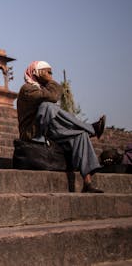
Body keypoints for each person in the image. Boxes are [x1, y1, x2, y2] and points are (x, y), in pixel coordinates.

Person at [16, 61, 106, 193]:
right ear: (36, 72)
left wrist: (48, 80)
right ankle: (91, 128)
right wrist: (50, 81)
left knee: (80, 135)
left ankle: (87, 183)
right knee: (47, 106)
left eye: (51, 73)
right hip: (33, 132)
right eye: (47, 72)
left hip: (49, 130)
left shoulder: (42, 88)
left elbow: (53, 96)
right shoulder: (27, 89)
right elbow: (52, 96)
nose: (50, 75)